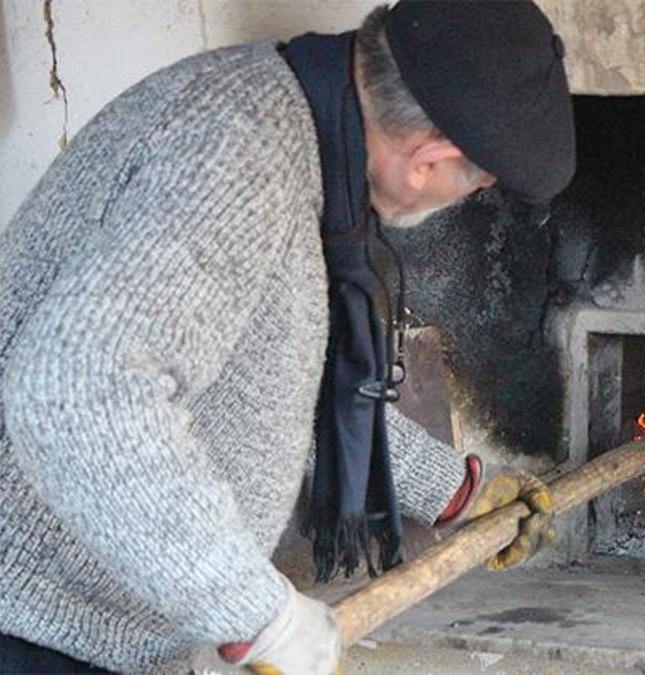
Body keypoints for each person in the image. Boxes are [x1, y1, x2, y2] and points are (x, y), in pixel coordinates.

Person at [0, 1, 575, 673]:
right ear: (429, 159)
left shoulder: (299, 123)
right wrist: (256, 612)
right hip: (34, 625)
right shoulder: (240, 157)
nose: (463, 195)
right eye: (473, 181)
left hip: (86, 624)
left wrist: (456, 491)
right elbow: (77, 390)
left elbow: (281, 386)